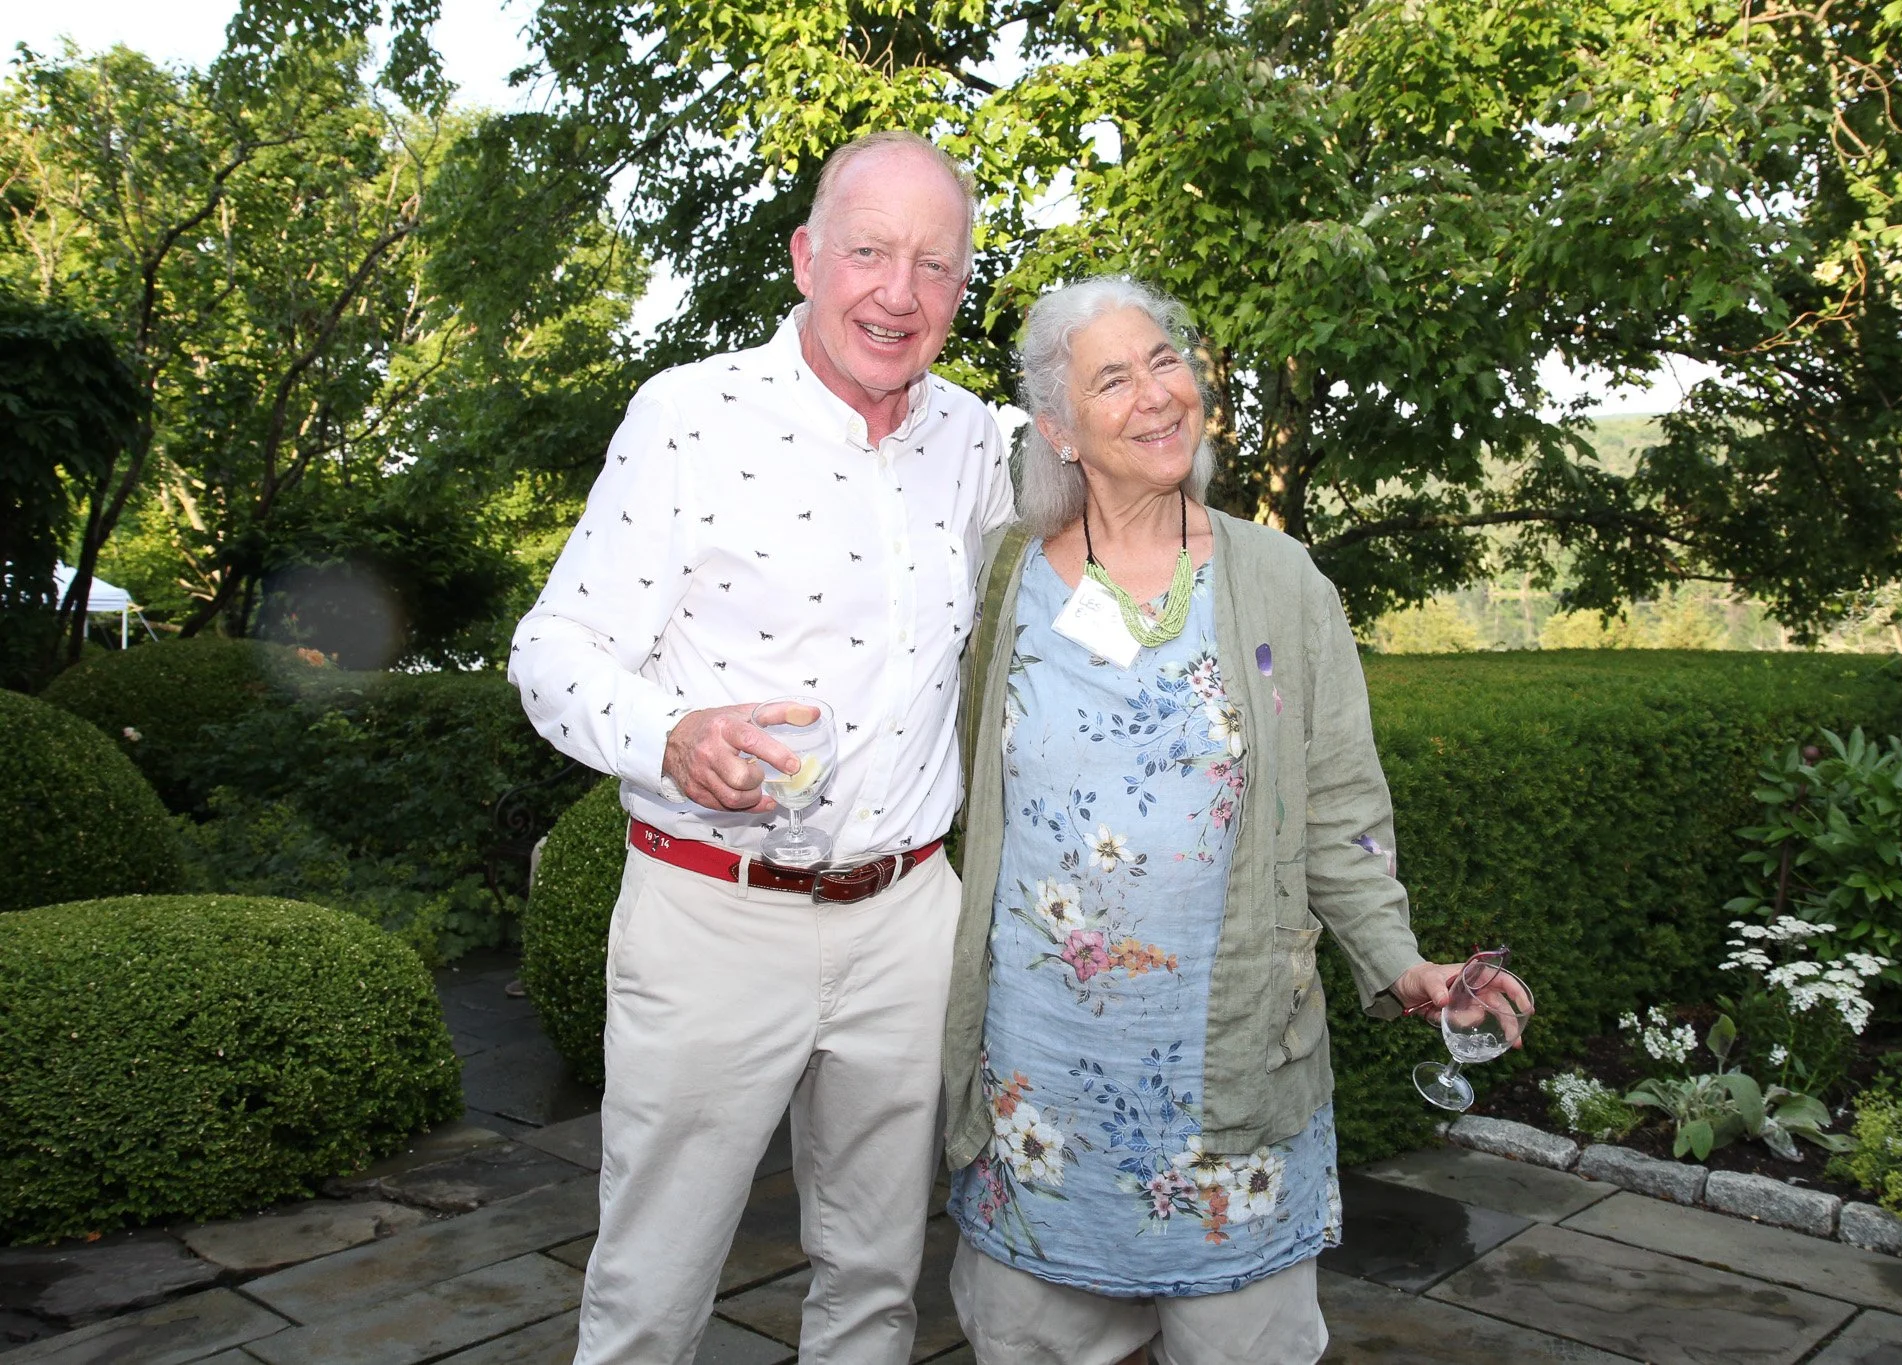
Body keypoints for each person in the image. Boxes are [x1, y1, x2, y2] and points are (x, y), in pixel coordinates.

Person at [509, 131, 1016, 1365]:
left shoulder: (977, 443)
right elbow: (551, 651)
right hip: (711, 919)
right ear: (804, 258)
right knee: (652, 1288)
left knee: (877, 1280)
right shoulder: (689, 416)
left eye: (934, 266)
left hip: (908, 919)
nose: (897, 292)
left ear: (961, 290)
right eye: (868, 252)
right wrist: (669, 736)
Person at [939, 277, 1498, 1365]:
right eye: (1113, 378)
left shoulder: (1282, 582)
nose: (1157, 394)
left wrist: (1401, 962)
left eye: (1164, 360)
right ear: (1058, 429)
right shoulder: (1002, 579)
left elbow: (1338, 808)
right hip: (1042, 1085)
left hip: (1229, 1075)